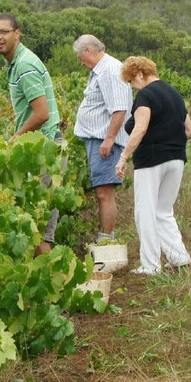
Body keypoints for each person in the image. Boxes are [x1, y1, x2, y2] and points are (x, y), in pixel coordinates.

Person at [0, 13, 62, 256]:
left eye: (4, 32)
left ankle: (50, 286)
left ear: (17, 33)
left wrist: (15, 138)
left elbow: (41, 114)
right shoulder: (15, 63)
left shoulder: (24, 65)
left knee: (39, 224)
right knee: (34, 222)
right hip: (38, 148)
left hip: (45, 149)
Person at [114, 55, 191, 275]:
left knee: (145, 212)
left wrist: (123, 158)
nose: (132, 86)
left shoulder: (146, 95)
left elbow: (139, 129)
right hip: (177, 159)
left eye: (131, 81)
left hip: (151, 159)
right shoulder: (175, 94)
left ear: (139, 73)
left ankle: (150, 265)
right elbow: (190, 131)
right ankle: (179, 257)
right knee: (163, 211)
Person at [73, 35, 131, 244]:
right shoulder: (100, 70)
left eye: (81, 57)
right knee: (101, 190)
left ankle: (107, 239)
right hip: (99, 140)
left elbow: (119, 109)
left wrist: (108, 140)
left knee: (104, 192)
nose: (81, 62)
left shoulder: (110, 70)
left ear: (88, 50)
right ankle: (106, 237)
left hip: (105, 142)